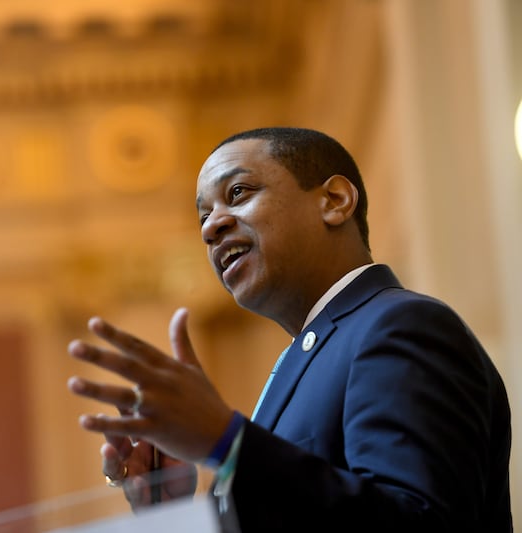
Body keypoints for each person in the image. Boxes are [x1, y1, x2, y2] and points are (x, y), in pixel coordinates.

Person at [66, 127, 512, 532]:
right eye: (203, 217)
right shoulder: (310, 356)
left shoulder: (399, 326)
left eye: (237, 192)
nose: (211, 227)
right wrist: (174, 516)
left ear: (334, 201)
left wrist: (228, 441)